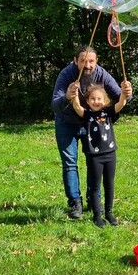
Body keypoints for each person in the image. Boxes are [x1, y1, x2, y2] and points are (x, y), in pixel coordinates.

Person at [51, 47, 127, 219]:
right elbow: (55, 105)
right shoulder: (66, 75)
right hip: (66, 122)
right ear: (75, 61)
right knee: (70, 163)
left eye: (91, 61)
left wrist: (127, 93)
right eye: (83, 61)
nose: (88, 65)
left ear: (96, 61)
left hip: (90, 124)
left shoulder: (101, 74)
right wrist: (67, 97)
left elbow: (119, 96)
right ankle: (75, 203)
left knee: (94, 161)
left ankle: (94, 202)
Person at [68, 81, 130, 227]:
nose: (96, 101)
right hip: (94, 156)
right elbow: (77, 106)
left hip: (110, 153)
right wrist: (74, 94)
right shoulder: (87, 115)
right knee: (95, 187)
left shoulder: (108, 113)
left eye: (99, 99)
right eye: (92, 99)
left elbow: (121, 103)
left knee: (109, 185)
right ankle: (97, 216)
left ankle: (108, 212)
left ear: (105, 100)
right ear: (88, 101)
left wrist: (124, 92)